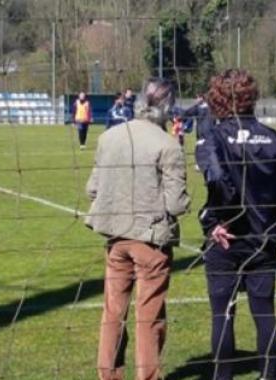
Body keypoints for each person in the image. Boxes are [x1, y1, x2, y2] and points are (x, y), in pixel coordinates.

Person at [86, 78, 190, 380]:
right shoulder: (167, 145)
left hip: (115, 238)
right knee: (149, 317)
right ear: (167, 106)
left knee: (113, 312)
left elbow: (92, 189)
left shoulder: (110, 138)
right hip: (150, 241)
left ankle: (109, 374)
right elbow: (176, 204)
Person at [196, 69, 276, 380]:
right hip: (263, 239)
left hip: (226, 239)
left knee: (223, 314)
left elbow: (218, 182)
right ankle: (269, 374)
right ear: (251, 98)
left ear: (218, 98)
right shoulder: (274, 138)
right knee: (264, 311)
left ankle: (222, 377)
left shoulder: (214, 137)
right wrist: (273, 231)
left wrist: (213, 221)